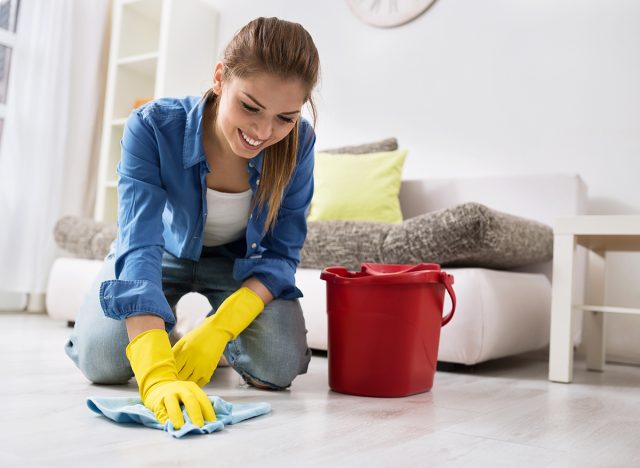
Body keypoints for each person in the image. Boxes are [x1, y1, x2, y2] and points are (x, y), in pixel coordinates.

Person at [65, 17, 320, 430]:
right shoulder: (151, 126)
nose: (262, 131)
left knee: (278, 366)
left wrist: (221, 327)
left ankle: (200, 338)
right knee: (101, 359)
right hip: (158, 255)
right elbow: (140, 240)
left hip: (238, 268)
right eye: (250, 107)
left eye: (284, 118)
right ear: (220, 78)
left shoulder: (299, 145)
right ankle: (165, 330)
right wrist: (156, 373)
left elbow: (281, 254)